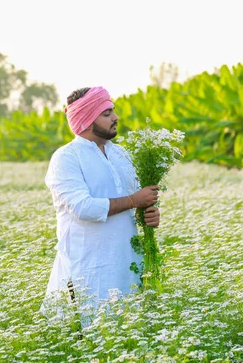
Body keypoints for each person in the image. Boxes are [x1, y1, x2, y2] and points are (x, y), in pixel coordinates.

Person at [43, 86, 161, 315]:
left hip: (127, 261)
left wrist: (149, 214)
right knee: (89, 333)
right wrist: (134, 200)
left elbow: (137, 201)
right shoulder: (66, 157)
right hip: (88, 266)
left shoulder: (120, 154)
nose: (115, 118)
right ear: (86, 119)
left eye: (112, 112)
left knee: (129, 331)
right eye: (106, 114)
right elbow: (83, 208)